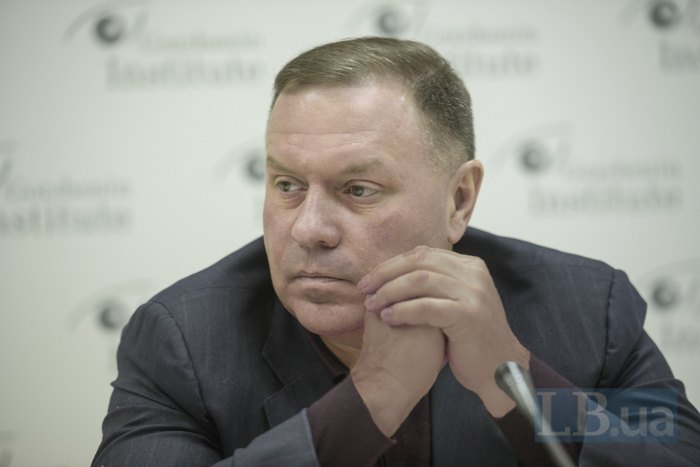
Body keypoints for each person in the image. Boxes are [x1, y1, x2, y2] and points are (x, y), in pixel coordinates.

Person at [92, 37, 700, 466]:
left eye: (358, 189)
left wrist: (513, 380)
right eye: (287, 185)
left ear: (459, 199)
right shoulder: (184, 341)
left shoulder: (586, 311)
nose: (309, 230)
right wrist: (373, 397)